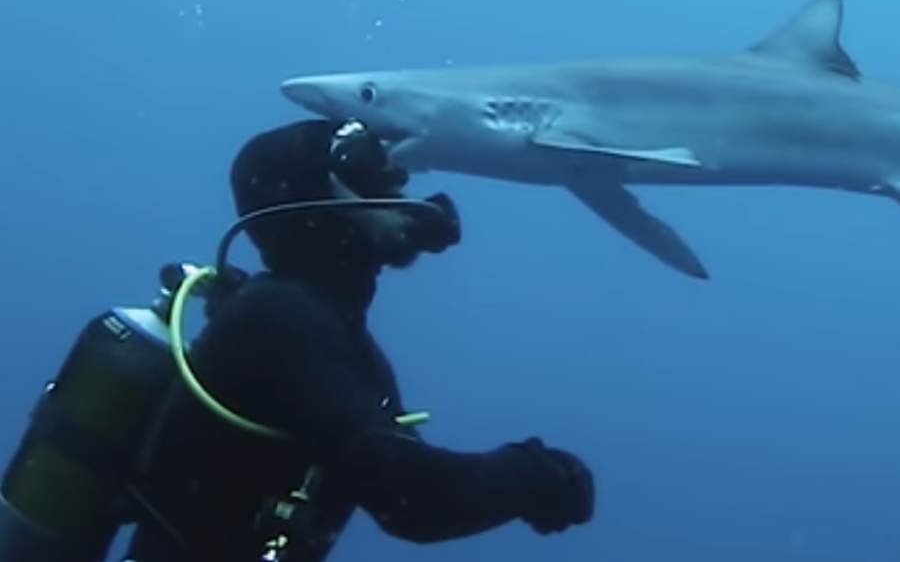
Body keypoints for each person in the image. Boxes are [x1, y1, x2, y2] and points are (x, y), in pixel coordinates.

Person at [0, 118, 595, 561]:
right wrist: (539, 475)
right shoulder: (279, 323)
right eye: (362, 162)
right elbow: (415, 499)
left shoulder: (324, 333)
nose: (396, 175)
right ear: (308, 199)